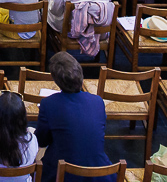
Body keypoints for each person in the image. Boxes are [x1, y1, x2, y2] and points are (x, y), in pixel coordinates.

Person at [35, 53, 110, 182]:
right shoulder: (97, 101)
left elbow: (41, 141)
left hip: (63, 175)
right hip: (99, 174)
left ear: (56, 80)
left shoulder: (49, 104)